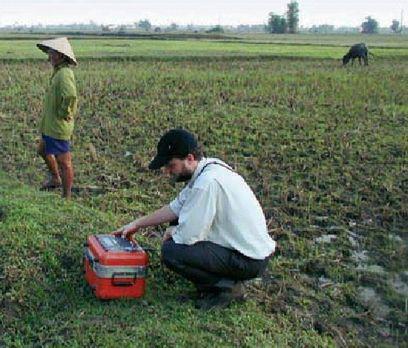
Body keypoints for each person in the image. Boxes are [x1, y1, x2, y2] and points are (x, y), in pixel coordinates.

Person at [114, 129, 276, 310]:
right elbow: (175, 208)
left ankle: (227, 288)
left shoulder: (206, 184)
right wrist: (136, 224)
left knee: (172, 251)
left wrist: (173, 232)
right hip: (247, 253)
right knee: (176, 226)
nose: (167, 172)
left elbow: (189, 236)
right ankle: (219, 284)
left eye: (170, 165)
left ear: (190, 158)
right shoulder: (209, 168)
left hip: (248, 260)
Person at [36, 37, 78, 199]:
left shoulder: (64, 74)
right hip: (50, 125)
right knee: (42, 150)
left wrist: (64, 113)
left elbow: (69, 96)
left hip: (57, 126)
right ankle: (55, 178)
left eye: (51, 53)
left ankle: (66, 196)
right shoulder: (59, 72)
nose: (48, 57)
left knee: (64, 162)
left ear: (60, 56)